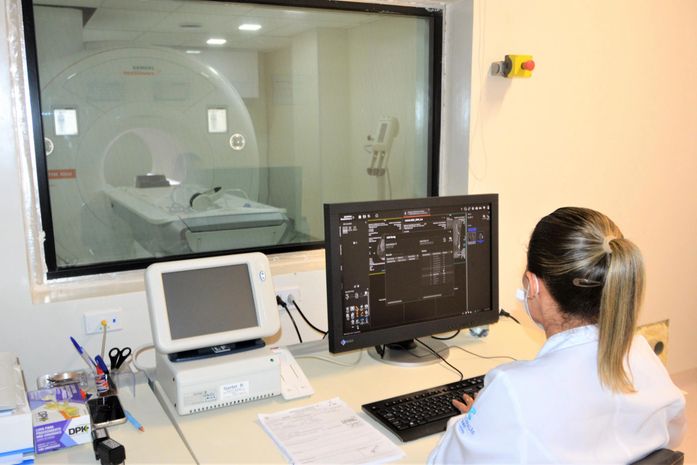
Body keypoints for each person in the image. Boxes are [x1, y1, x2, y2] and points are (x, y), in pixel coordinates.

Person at [428, 207, 686, 464]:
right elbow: (671, 439)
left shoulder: (513, 389)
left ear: (533, 285)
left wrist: (474, 419)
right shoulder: (642, 356)